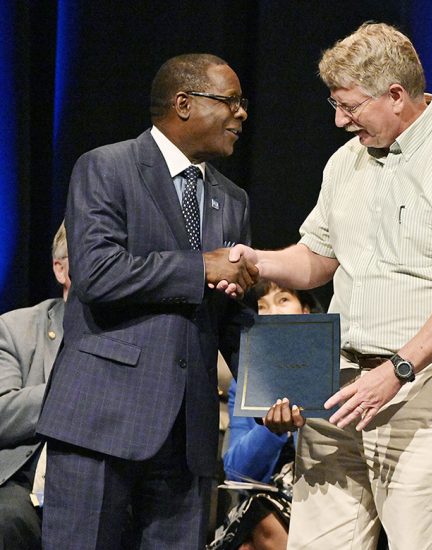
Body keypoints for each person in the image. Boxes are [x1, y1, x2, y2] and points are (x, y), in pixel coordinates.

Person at [230, 21, 432, 549]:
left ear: (396, 95)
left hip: (425, 388)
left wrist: (397, 369)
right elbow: (318, 259)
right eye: (335, 104)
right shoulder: (345, 163)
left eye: (350, 106)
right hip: (340, 388)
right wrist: (257, 262)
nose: (340, 120)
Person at [36, 53, 259, 550]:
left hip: (188, 438)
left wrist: (274, 392)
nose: (242, 113)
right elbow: (98, 274)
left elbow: (234, 317)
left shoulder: (233, 199)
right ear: (184, 103)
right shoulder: (106, 166)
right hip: (101, 421)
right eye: (230, 101)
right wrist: (201, 267)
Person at [218, 281, 320, 550]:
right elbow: (236, 473)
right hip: (271, 502)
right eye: (261, 307)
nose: (272, 312)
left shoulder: (335, 371)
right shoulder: (246, 381)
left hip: (325, 495)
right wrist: (272, 430)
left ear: (306, 310)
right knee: (262, 520)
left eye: (283, 300)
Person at [0, 222, 69, 550]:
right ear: (60, 269)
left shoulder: (132, 338)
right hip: (23, 478)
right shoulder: (15, 328)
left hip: (101, 485)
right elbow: (2, 413)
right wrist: (74, 391)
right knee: (6, 519)